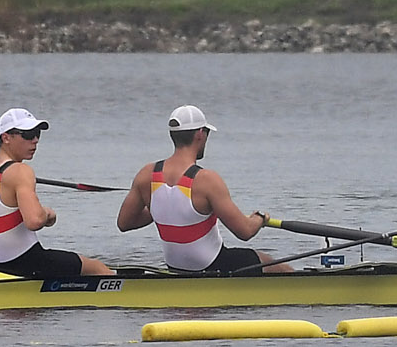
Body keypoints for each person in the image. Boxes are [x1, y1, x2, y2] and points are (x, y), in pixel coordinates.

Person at [115, 104, 290, 274]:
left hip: (176, 267)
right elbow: (245, 231)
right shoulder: (207, 180)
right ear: (200, 134)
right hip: (214, 265)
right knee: (275, 265)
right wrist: (260, 218)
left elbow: (124, 223)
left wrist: (165, 209)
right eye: (207, 133)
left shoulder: (147, 175)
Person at [0, 108, 113, 279]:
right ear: (6, 138)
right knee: (98, 268)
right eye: (27, 134)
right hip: (30, 263)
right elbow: (34, 221)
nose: (35, 141)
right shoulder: (21, 171)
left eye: (37, 134)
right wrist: (48, 214)